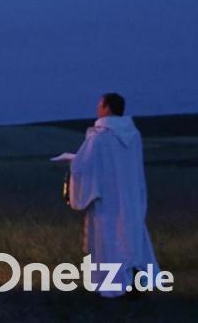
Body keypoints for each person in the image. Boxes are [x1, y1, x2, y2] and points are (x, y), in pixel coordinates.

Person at [68, 92, 160, 297]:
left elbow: (84, 166)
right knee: (131, 237)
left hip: (107, 200)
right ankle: (136, 280)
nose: (97, 108)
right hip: (130, 196)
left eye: (100, 104)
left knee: (110, 241)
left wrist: (73, 165)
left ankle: (116, 284)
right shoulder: (133, 135)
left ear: (107, 108)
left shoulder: (99, 137)